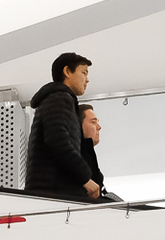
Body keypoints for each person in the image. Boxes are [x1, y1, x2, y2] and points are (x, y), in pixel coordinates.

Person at [24, 52, 98, 201]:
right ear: (67, 71)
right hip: (53, 192)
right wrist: (85, 178)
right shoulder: (59, 98)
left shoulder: (58, 99)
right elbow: (57, 140)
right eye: (84, 72)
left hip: (50, 191)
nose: (87, 79)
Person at [78, 104, 122, 203]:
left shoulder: (87, 155)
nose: (99, 127)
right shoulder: (76, 161)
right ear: (78, 126)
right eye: (93, 122)